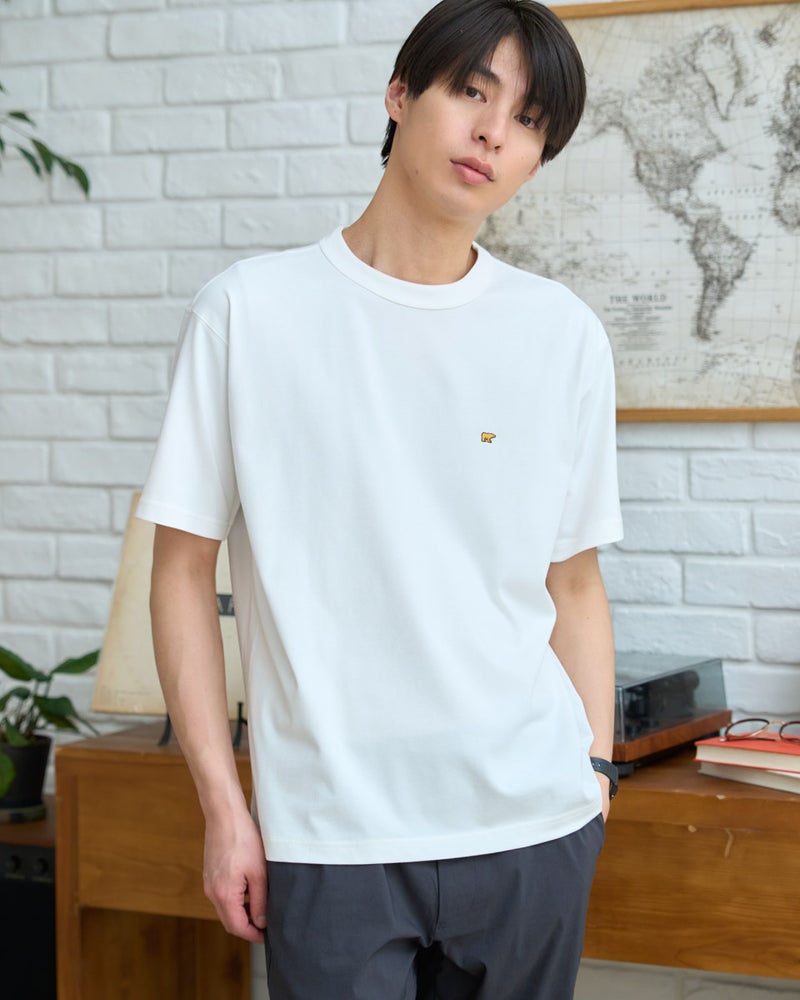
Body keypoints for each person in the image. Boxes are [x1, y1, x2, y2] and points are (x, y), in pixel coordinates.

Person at [138, 1, 623, 997]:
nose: (492, 133)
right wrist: (225, 808)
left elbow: (572, 582)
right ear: (400, 95)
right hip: (331, 837)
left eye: (528, 120)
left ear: (538, 157)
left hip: (533, 825)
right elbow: (181, 571)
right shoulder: (248, 313)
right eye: (471, 92)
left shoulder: (560, 333)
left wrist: (595, 776)